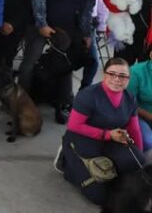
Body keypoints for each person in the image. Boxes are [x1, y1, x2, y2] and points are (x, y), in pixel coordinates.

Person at [21, 0, 117, 123]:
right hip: (40, 25)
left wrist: (86, 34)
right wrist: (42, 24)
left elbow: (87, 10)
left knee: (65, 67)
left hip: (67, 31)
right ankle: (22, 102)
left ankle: (64, 104)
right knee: (29, 63)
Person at [60, 58, 146, 206]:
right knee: (100, 197)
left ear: (128, 79)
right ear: (104, 74)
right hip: (82, 139)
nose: (117, 79)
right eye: (112, 74)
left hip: (111, 139)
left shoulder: (129, 97)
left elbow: (134, 128)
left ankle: (109, 170)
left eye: (123, 76)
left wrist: (138, 152)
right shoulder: (88, 95)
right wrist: (107, 134)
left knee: (137, 161)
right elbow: (74, 125)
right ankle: (67, 162)